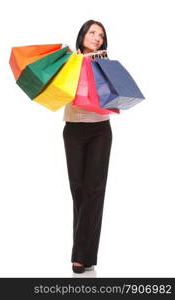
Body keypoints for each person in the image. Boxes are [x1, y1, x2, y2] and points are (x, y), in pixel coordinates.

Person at [63, 20, 114, 274]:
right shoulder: (69, 61)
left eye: (101, 36)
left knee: (94, 191)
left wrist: (98, 66)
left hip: (100, 131)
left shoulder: (104, 64)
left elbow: (111, 96)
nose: (97, 38)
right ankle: (86, 254)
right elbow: (62, 91)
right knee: (79, 190)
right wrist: (75, 64)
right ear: (82, 34)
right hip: (73, 128)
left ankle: (80, 257)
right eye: (93, 32)